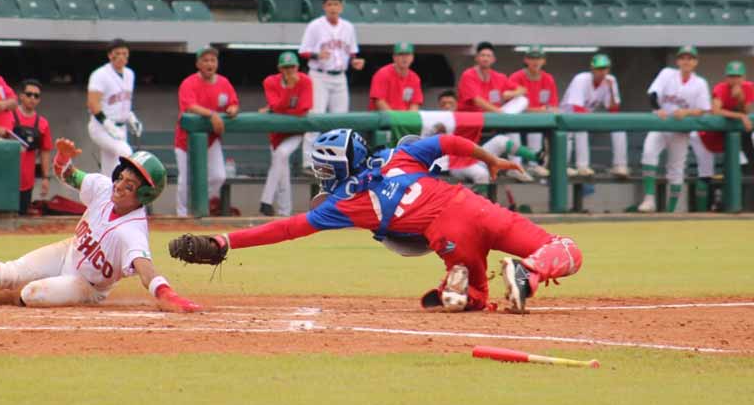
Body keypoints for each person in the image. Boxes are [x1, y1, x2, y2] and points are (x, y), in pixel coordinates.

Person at [169, 129, 582, 314]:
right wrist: (490, 160)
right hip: (471, 205)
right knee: (566, 249)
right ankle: (528, 272)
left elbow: (286, 229)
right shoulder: (397, 155)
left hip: (446, 236)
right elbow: (449, 142)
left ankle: (458, 285)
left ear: (335, 168)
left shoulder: (346, 203)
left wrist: (226, 241)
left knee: (477, 295)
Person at [0, 140, 200, 312]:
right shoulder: (103, 188)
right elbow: (66, 174)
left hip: (85, 285)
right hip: (67, 252)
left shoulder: (132, 230)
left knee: (29, 294)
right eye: (121, 177)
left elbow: (146, 271)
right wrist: (62, 159)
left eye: (130, 185)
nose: (120, 185)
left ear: (143, 195)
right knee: (6, 272)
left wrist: (169, 296)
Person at [637, 45, 711, 213]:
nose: (686, 61)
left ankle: (671, 210)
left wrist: (687, 112)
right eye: (683, 57)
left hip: (680, 129)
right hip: (661, 124)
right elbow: (653, 94)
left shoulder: (700, 83)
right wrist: (658, 108)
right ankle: (649, 200)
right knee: (648, 154)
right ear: (678, 60)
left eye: (690, 58)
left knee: (676, 169)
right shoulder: (667, 74)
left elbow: (704, 109)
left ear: (695, 62)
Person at [299, 0, 365, 167]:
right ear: (324, 7)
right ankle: (308, 161)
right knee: (315, 118)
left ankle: (338, 161)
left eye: (336, 4)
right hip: (319, 76)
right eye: (330, 4)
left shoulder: (348, 27)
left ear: (341, 7)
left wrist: (355, 61)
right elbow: (303, 51)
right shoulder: (315, 26)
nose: (333, 8)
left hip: (340, 77)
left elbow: (352, 52)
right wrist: (316, 54)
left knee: (340, 120)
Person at [175, 47, 239, 217]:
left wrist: (233, 109)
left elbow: (233, 102)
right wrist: (212, 114)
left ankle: (204, 203)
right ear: (198, 64)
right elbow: (190, 106)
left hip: (211, 139)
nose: (209, 63)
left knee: (219, 176)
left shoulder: (224, 82)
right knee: (184, 181)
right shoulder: (189, 83)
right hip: (186, 140)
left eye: (212, 60)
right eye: (205, 60)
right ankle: (182, 215)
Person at [689, 60, 754, 211]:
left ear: (743, 77)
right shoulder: (721, 88)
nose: (735, 79)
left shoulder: (748, 87)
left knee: (744, 168)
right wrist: (740, 116)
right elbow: (716, 111)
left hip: (730, 137)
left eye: (738, 76)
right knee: (707, 173)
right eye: (731, 76)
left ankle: (743, 206)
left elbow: (746, 110)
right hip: (709, 135)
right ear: (726, 77)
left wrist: (740, 99)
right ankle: (706, 210)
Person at [434, 92, 537, 184]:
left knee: (500, 140)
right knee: (481, 174)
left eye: (450, 103)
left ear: (457, 104)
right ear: (439, 106)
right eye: (444, 104)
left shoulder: (465, 117)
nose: (447, 106)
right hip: (455, 164)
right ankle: (479, 205)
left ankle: (537, 158)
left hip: (474, 157)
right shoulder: (434, 120)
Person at [257, 51, 313, 216]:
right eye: (285, 67)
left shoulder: (305, 81)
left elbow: (304, 109)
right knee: (282, 173)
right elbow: (276, 105)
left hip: (295, 132)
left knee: (281, 155)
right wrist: (288, 91)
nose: (289, 71)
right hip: (276, 133)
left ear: (297, 67)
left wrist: (277, 109)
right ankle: (284, 213)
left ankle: (265, 201)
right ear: (279, 68)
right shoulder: (270, 81)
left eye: (292, 67)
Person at [560, 54, 629, 179]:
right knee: (580, 130)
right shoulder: (581, 79)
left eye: (605, 68)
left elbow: (613, 109)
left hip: (587, 117)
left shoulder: (610, 81)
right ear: (592, 69)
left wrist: (612, 90)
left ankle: (620, 165)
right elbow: (577, 109)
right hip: (567, 117)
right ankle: (578, 166)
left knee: (619, 128)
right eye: (599, 68)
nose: (602, 72)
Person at [86, 39, 142, 177]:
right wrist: (108, 124)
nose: (122, 56)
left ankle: (106, 196)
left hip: (120, 127)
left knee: (110, 170)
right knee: (125, 152)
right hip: (101, 127)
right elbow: (92, 104)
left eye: (125, 53)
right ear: (110, 55)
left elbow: (124, 102)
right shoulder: (100, 74)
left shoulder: (129, 74)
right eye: (118, 53)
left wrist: (132, 119)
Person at [506, 45, 557, 178]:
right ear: (526, 60)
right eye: (532, 58)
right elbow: (511, 107)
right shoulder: (516, 77)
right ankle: (514, 166)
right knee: (513, 130)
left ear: (544, 61)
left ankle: (534, 165)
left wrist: (540, 111)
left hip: (537, 121)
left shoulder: (548, 79)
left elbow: (552, 107)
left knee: (537, 130)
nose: (535, 61)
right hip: (517, 120)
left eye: (539, 58)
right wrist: (539, 110)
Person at [11, 79, 53, 215]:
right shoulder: (8, 116)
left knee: (22, 215)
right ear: (21, 96)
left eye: (36, 96)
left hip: (27, 181)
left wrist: (46, 178)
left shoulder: (42, 123)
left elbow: (45, 152)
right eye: (29, 94)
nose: (32, 98)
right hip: (6, 177)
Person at [456, 42, 528, 115]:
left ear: (493, 59)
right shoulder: (468, 75)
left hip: (496, 115)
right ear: (476, 58)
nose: (485, 59)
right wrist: (499, 112)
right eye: (482, 55)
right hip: (473, 117)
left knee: (522, 100)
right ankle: (505, 119)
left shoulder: (500, 77)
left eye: (488, 56)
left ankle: (505, 120)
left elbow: (523, 90)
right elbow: (477, 101)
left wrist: (511, 93)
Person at [368, 42, 423, 112]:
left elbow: (415, 104)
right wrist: (395, 119)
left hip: (404, 119)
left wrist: (408, 120)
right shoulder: (382, 74)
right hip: (382, 119)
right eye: (401, 54)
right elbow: (379, 101)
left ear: (412, 57)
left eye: (407, 54)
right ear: (394, 57)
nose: (404, 58)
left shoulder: (415, 78)